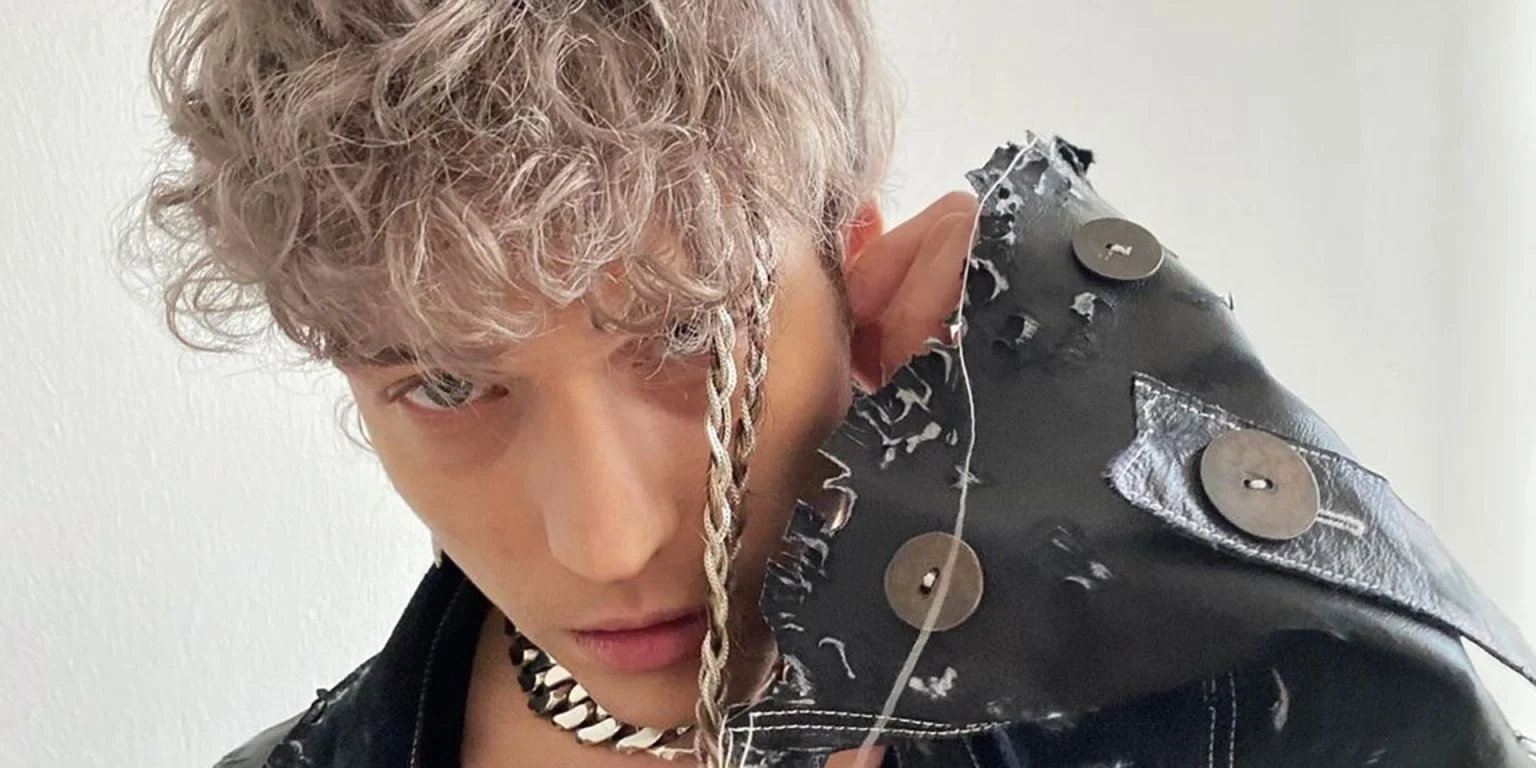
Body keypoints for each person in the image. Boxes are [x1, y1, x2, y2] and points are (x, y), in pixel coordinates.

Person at [133, 1, 1536, 767]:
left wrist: (1161, 416)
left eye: (689, 337)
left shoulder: (1223, 719)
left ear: (854, 274)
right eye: (446, 384)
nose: (605, 542)